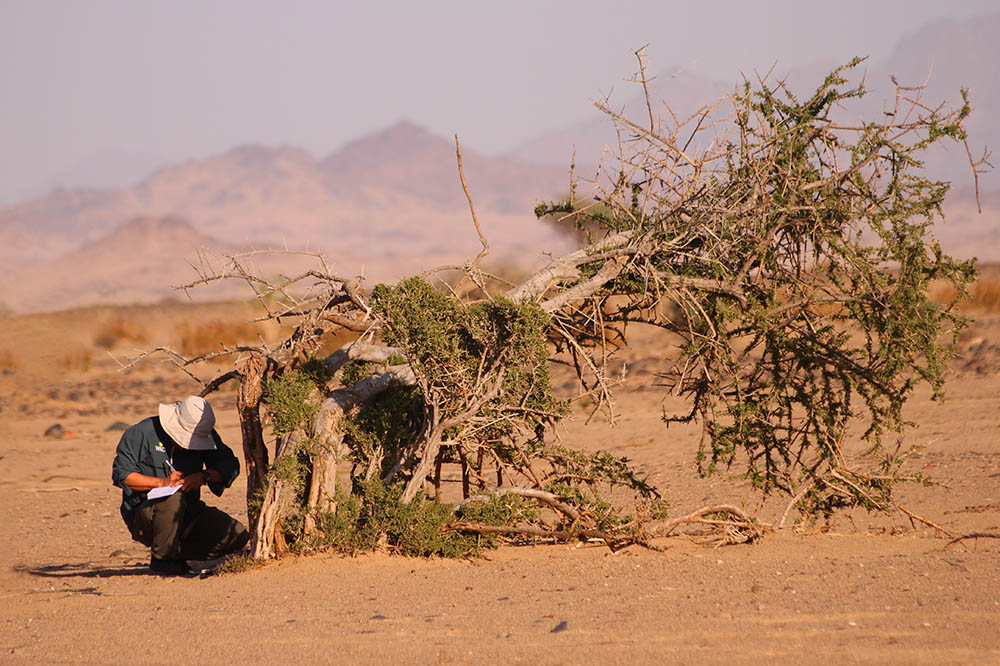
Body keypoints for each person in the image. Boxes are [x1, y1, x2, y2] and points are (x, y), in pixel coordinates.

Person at [112, 395, 250, 575]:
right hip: (145, 515)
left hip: (189, 512)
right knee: (172, 498)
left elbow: (229, 466)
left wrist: (204, 476)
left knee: (237, 535)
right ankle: (163, 561)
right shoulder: (141, 432)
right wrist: (162, 483)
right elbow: (123, 475)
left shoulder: (206, 434)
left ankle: (173, 551)